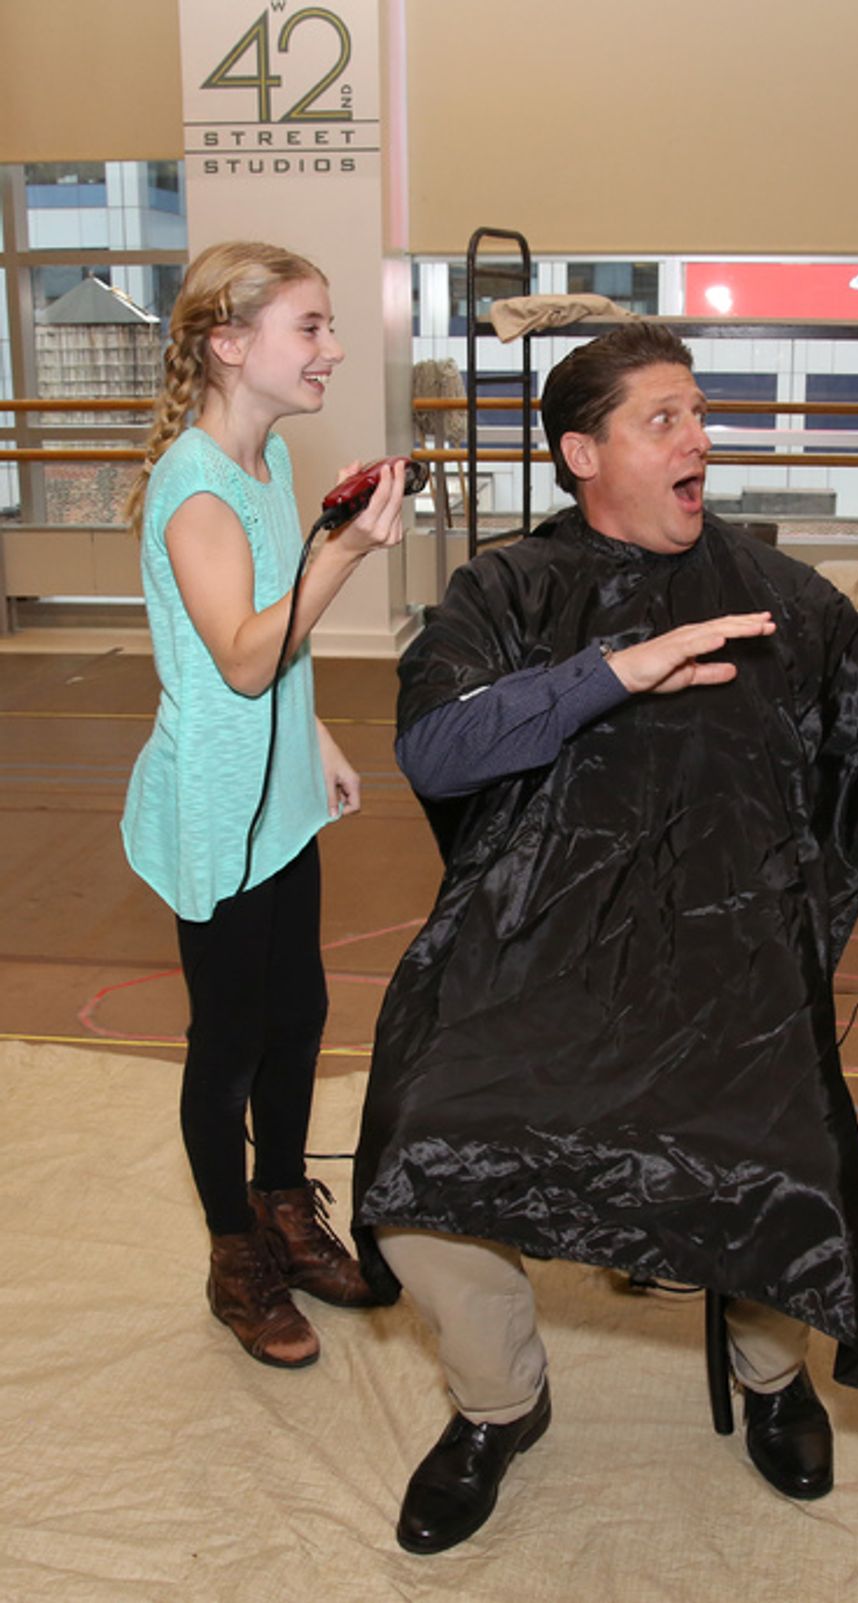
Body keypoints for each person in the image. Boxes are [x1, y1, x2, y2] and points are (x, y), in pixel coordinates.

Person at [352, 320, 858, 1553]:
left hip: (730, 969)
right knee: (415, 1157)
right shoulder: (505, 589)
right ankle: (499, 1400)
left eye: (697, 413)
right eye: (662, 418)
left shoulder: (772, 592)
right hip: (535, 959)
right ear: (581, 452)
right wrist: (620, 668)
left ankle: (773, 1376)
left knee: (778, 1161)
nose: (698, 440)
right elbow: (436, 743)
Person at [122, 241, 407, 1369]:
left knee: (299, 1015)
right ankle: (234, 1251)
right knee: (228, 1042)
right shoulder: (194, 487)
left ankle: (286, 1205)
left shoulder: (265, 465)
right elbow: (240, 659)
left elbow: (267, 657)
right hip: (217, 808)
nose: (331, 349)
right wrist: (344, 550)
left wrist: (320, 734)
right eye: (311, 328)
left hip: (279, 794)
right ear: (228, 345)